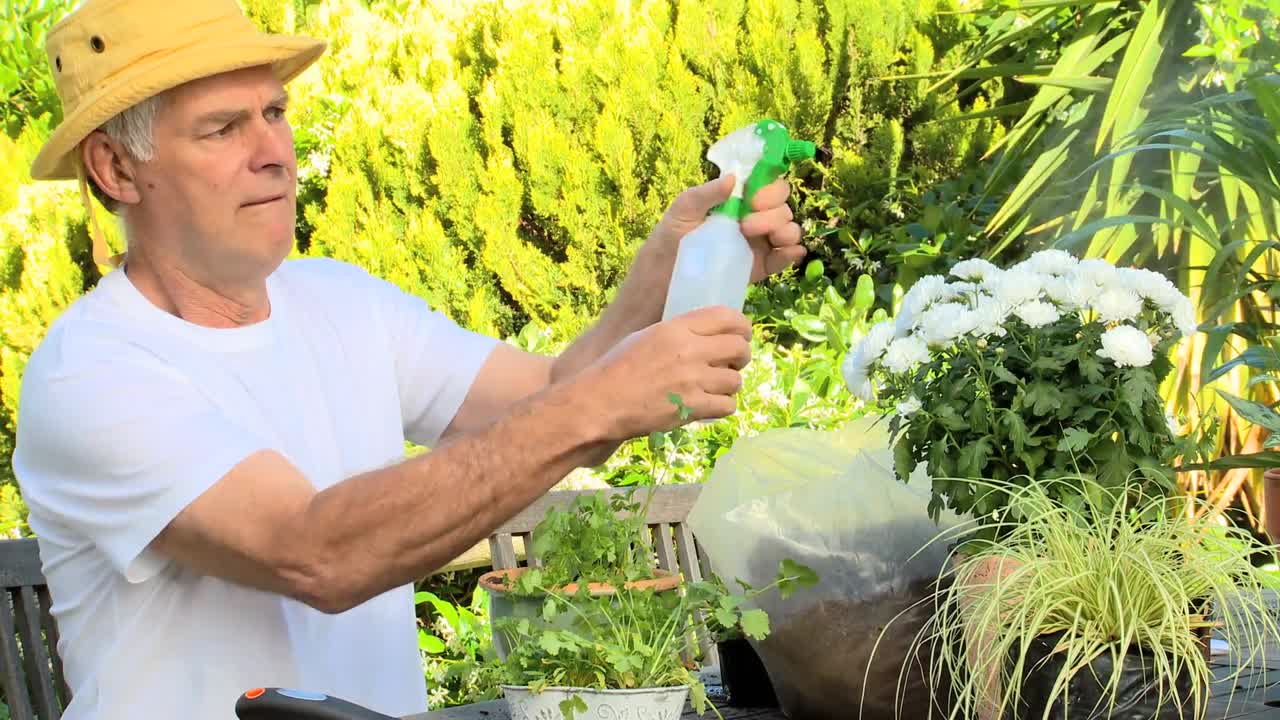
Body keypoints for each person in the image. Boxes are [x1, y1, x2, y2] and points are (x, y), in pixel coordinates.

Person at [11, 1, 809, 719]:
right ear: (115, 168)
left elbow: (548, 393)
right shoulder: (91, 373)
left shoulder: (338, 300)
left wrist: (667, 274)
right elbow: (316, 552)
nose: (275, 153)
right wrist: (603, 401)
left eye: (276, 112)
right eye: (224, 128)